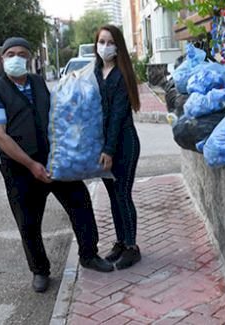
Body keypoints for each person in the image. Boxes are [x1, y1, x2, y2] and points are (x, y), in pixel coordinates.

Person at [0, 37, 114, 293]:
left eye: (21, 53)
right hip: (20, 168)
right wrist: (31, 165)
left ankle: (89, 255)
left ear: (29, 58)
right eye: (10, 54)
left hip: (56, 160)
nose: (16, 58)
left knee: (80, 204)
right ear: (2, 58)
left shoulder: (37, 82)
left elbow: (58, 114)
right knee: (29, 223)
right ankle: (40, 271)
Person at [93, 25, 142, 269]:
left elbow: (117, 117)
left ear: (118, 45)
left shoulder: (121, 75)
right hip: (103, 146)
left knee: (123, 194)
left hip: (123, 144)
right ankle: (121, 241)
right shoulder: (95, 71)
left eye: (110, 42)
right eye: (101, 41)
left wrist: (109, 151)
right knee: (112, 196)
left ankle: (132, 246)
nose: (105, 46)